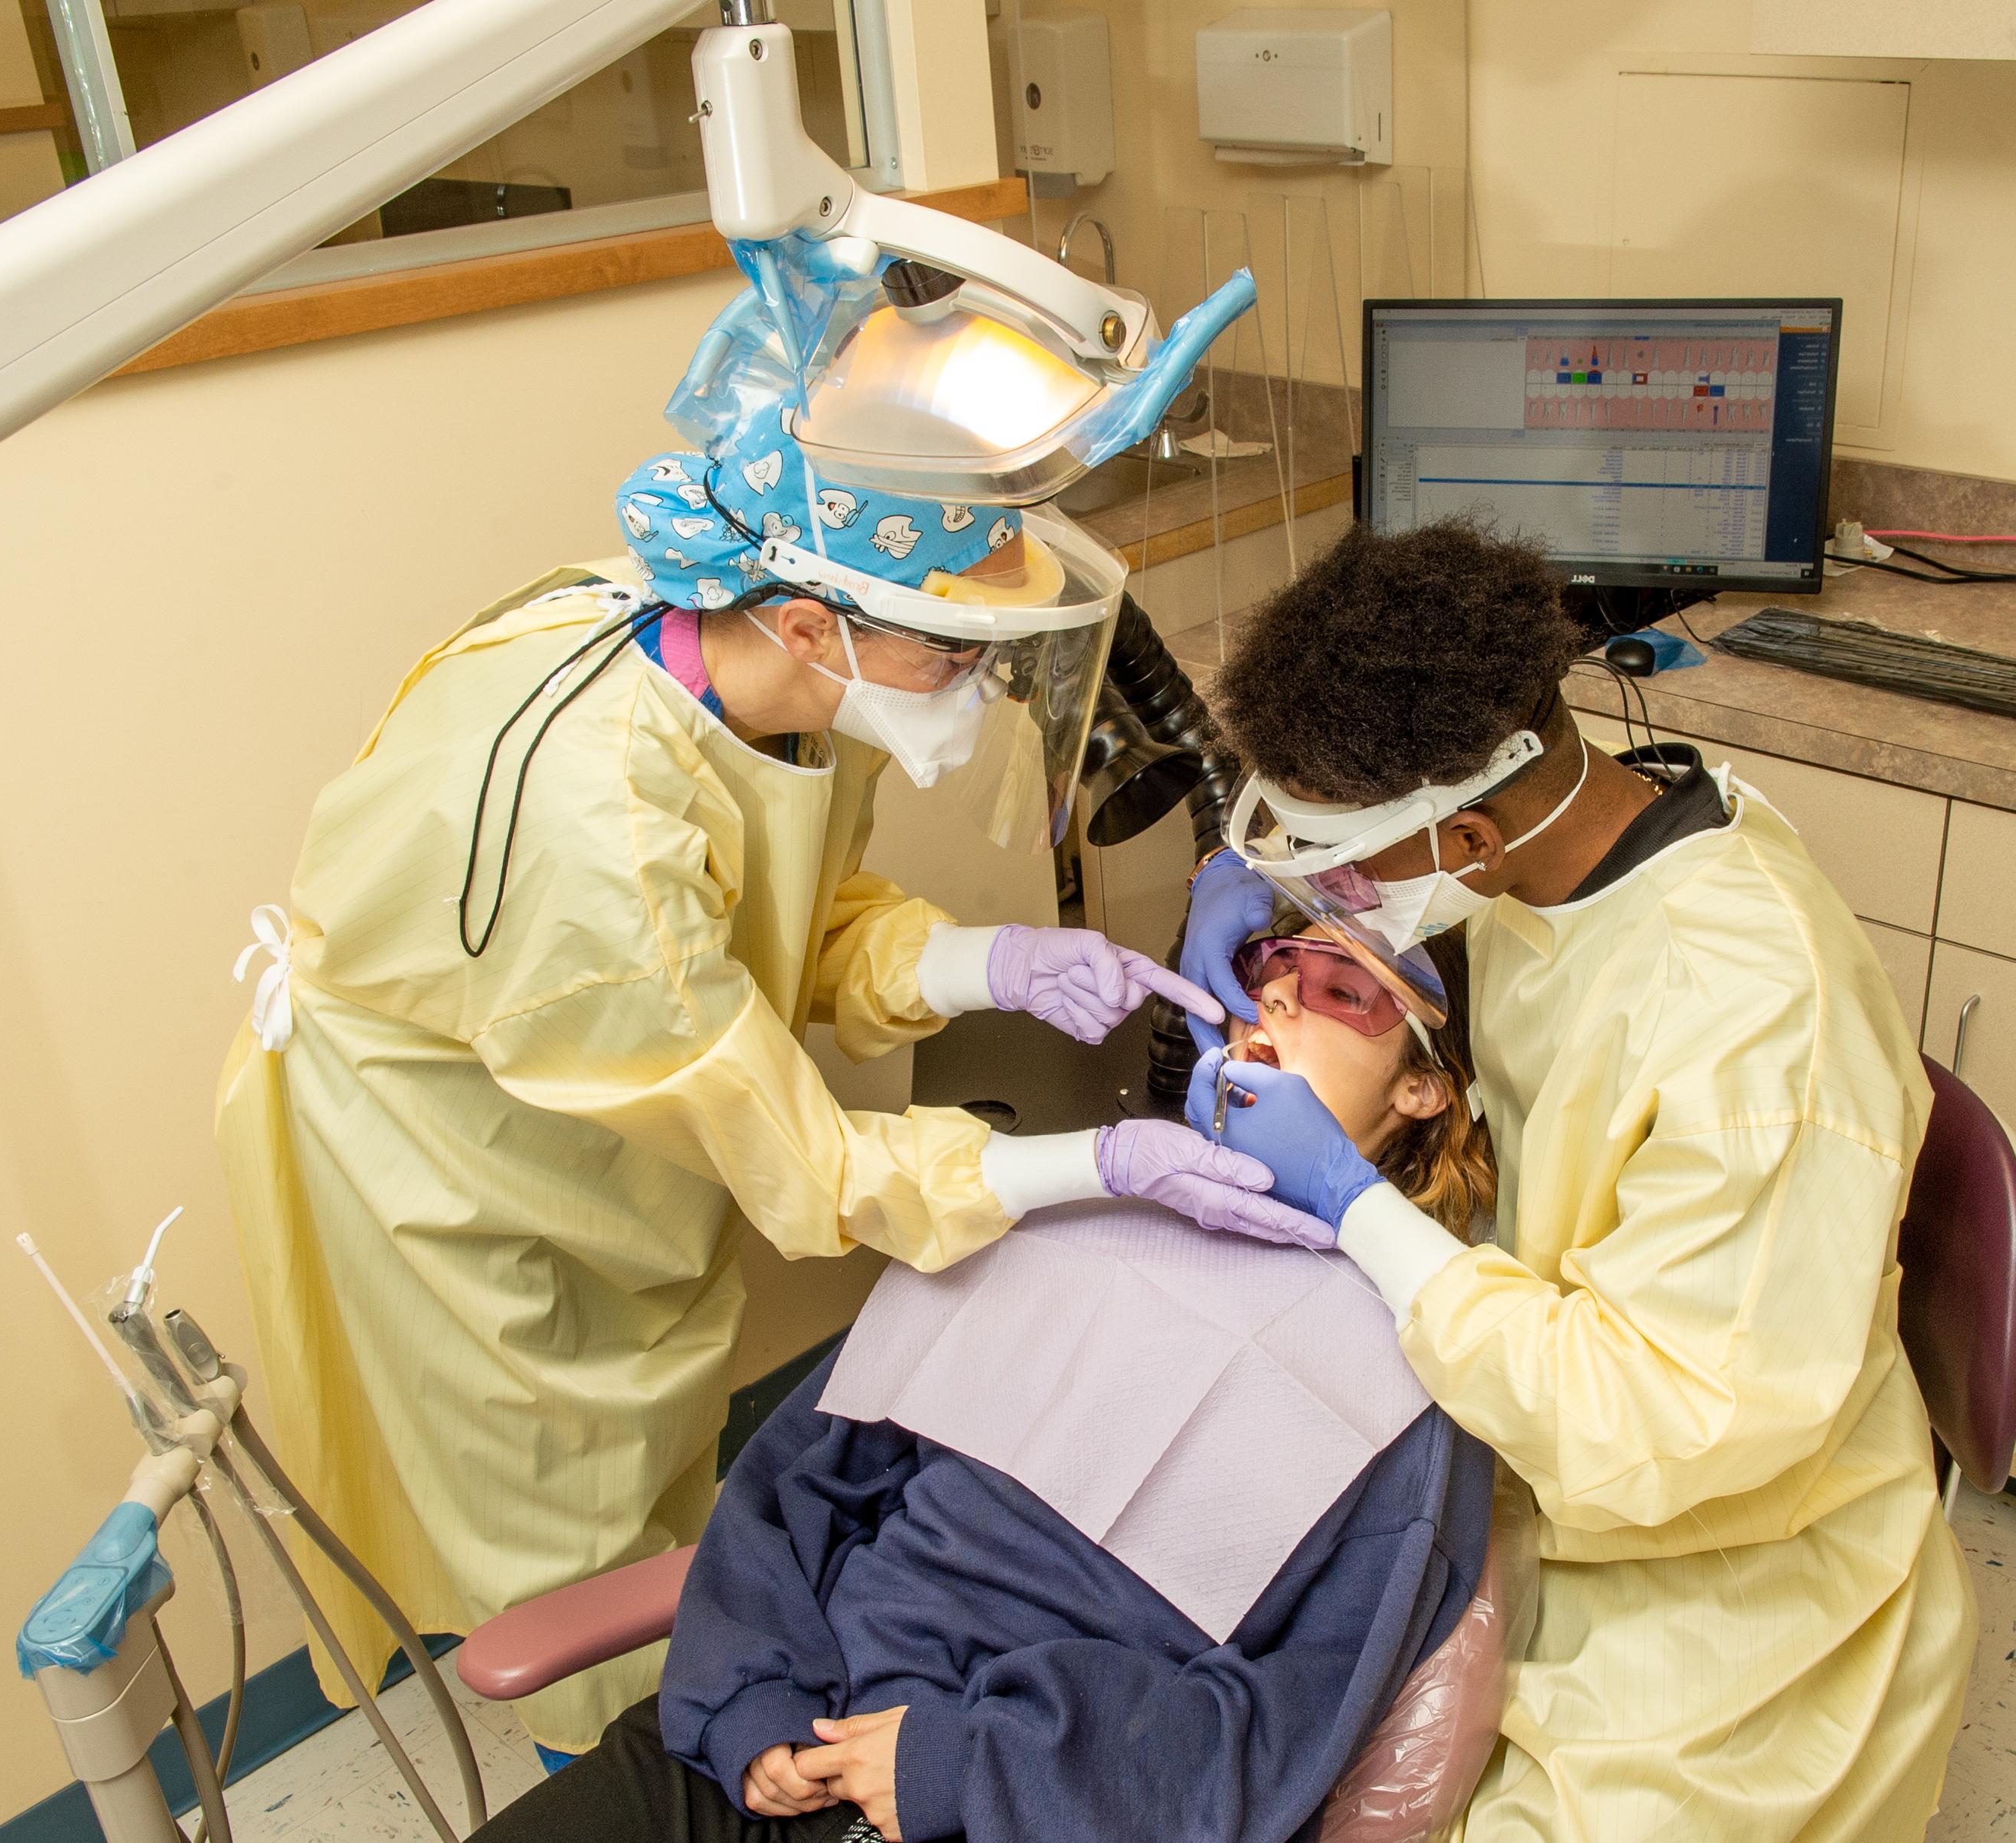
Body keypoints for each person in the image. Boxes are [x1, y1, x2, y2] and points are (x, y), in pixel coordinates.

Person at [212, 393, 1319, 1759]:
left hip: (610, 1097)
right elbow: (807, 1155)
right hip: (462, 1182)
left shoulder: (746, 656)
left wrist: (992, 962)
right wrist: (1090, 1164)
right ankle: (622, 1755)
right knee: (562, 1519)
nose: (980, 691)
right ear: (812, 625)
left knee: (659, 1464)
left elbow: (772, 917)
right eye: (959, 658)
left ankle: (680, 1683)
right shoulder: (593, 820)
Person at [1179, 517, 1977, 1841]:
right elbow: (1448, 928)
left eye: (1344, 872)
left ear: (1472, 838)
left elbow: (1663, 1423)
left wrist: (1355, 1200)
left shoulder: (1750, 1020)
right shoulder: (1579, 829)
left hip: (1722, 1583)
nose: (1323, 906)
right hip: (1529, 1464)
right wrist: (1251, 877)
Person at [468, 930, 1499, 1843]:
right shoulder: (1068, 1203)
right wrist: (748, 1700)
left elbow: (1276, 1731)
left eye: (1340, 991)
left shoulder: (1414, 1378)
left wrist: (963, 1765)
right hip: (771, 1737)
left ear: (1424, 1086)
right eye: (1268, 965)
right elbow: (795, 1485)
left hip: (1022, 1797)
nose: (1276, 999)